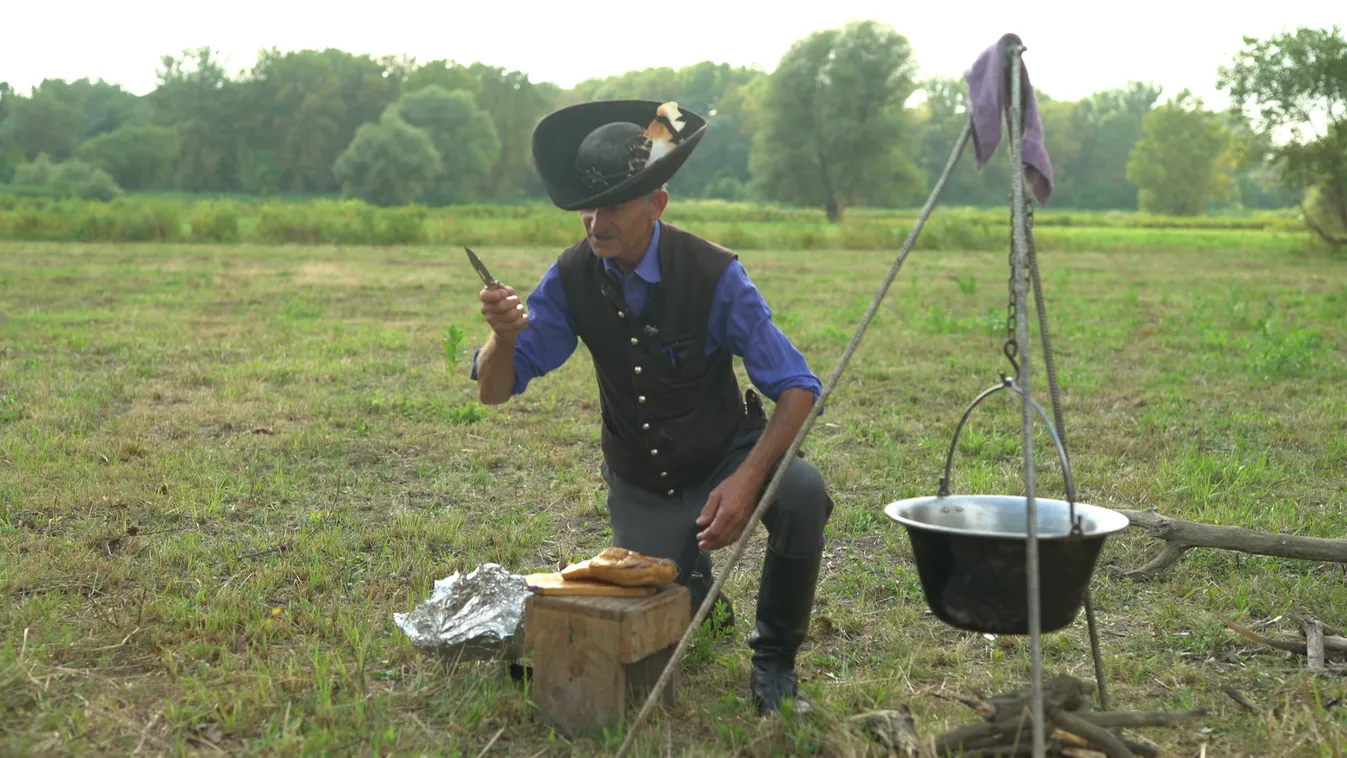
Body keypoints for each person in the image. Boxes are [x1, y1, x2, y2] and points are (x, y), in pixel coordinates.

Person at [470, 99, 835, 716]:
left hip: (723, 456)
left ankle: (774, 665)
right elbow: (493, 389)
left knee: (801, 492)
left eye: (613, 206)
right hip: (642, 480)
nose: (595, 223)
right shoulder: (571, 275)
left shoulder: (714, 274)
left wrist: (747, 480)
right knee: (643, 628)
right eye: (587, 207)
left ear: (656, 204)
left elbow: (800, 388)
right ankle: (699, 595)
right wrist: (502, 338)